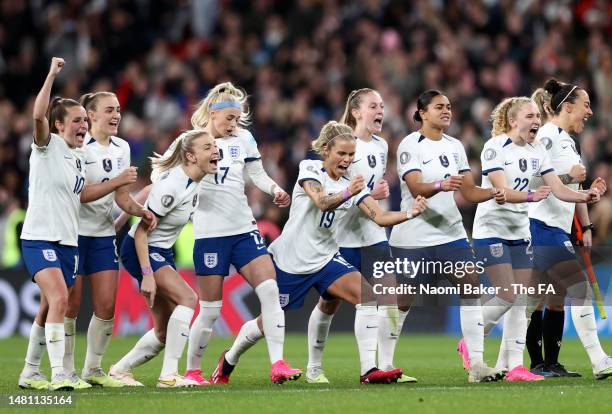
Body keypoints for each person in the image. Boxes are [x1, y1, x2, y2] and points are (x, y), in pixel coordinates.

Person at [209, 121, 427, 385]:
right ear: (325, 150)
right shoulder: (310, 169)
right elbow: (322, 203)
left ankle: (369, 371)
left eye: (350, 155)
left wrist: (410, 213)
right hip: (292, 261)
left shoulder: (351, 184)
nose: (347, 160)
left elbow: (379, 217)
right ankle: (229, 358)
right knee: (266, 323)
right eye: (342, 154)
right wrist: (350, 191)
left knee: (367, 297)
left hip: (326, 259)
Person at [18, 58, 138, 391]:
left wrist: (134, 205)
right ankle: (60, 374)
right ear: (58, 125)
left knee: (50, 305)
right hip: (40, 237)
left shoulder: (76, 156)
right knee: (59, 301)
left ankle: (32, 371)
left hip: (68, 241)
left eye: (85, 120)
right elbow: (38, 115)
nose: (83, 125)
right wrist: (52, 75)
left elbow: (85, 194)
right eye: (77, 120)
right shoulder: (47, 146)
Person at [472, 96, 603, 381]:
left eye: (536, 116)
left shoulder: (538, 150)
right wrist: (533, 195)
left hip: (521, 231)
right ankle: (472, 337)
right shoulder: (494, 148)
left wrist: (586, 195)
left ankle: (513, 366)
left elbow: (557, 187)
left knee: (522, 298)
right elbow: (502, 192)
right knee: (512, 294)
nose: (535, 121)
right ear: (513, 120)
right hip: (493, 229)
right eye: (529, 116)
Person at [391, 89, 507, 383]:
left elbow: (467, 191)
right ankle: (382, 363)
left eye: (449, 106)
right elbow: (416, 186)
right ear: (422, 112)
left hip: (451, 234)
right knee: (403, 300)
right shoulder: (410, 144)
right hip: (414, 236)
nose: (446, 111)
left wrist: (492, 193)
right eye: (439, 106)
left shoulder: (455, 145)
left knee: (471, 287)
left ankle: (478, 365)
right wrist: (442, 184)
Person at [304, 88, 416, 384]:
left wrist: (374, 195)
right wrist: (369, 193)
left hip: (372, 234)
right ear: (356, 112)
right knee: (328, 304)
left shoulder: (381, 145)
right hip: (341, 238)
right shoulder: (343, 145)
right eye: (373, 106)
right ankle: (314, 367)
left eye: (382, 105)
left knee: (390, 298)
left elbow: (370, 193)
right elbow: (338, 190)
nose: (381, 110)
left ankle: (385, 365)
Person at [60, 91, 157, 388]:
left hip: (103, 234)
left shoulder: (121, 147)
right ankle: (66, 371)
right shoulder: (77, 147)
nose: (116, 115)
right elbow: (80, 194)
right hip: (73, 234)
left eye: (118, 110)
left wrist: (140, 211)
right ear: (91, 116)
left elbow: (122, 197)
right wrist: (118, 181)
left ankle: (93, 369)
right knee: (71, 305)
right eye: (109, 110)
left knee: (105, 306)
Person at [109, 130, 219, 388]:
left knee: (163, 331)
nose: (215, 151)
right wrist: (147, 274)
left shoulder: (193, 179)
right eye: (208, 147)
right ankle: (169, 376)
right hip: (143, 250)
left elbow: (150, 189)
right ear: (191, 156)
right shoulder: (175, 186)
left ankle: (120, 370)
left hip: (160, 250)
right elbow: (140, 234)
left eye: (214, 146)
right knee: (189, 298)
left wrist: (120, 219)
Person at [525, 79, 612, 379]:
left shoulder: (567, 141)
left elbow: (572, 187)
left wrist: (586, 223)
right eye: (586, 105)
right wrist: (568, 175)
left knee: (546, 297)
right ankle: (600, 360)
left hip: (558, 228)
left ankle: (546, 363)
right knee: (577, 288)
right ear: (568, 106)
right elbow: (529, 182)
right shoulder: (547, 135)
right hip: (540, 225)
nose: (589, 112)